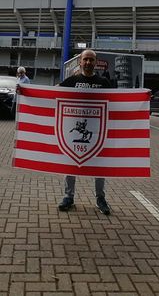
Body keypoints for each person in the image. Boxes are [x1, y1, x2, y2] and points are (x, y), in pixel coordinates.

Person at [57, 49, 113, 215]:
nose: (88, 62)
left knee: (100, 166)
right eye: (85, 59)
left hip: (98, 132)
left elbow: (118, 101)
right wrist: (24, 91)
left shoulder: (104, 83)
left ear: (96, 63)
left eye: (91, 60)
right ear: (80, 62)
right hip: (74, 133)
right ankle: (69, 197)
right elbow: (52, 92)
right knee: (71, 162)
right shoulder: (72, 81)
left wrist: (143, 97)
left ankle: (100, 198)